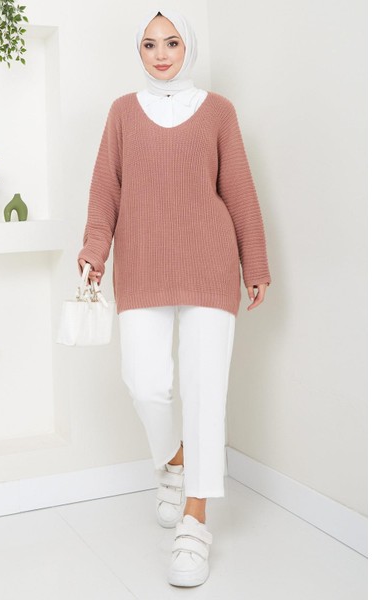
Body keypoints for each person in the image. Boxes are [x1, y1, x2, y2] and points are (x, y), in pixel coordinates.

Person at [78, 7, 272, 588]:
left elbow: (238, 188)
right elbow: (105, 189)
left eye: (171, 43)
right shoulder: (121, 112)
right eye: (149, 44)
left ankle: (195, 520)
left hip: (209, 263)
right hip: (142, 264)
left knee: (206, 392)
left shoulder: (218, 111)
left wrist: (255, 262)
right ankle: (176, 459)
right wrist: (94, 252)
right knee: (145, 382)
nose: (160, 54)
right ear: (138, 50)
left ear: (187, 46)